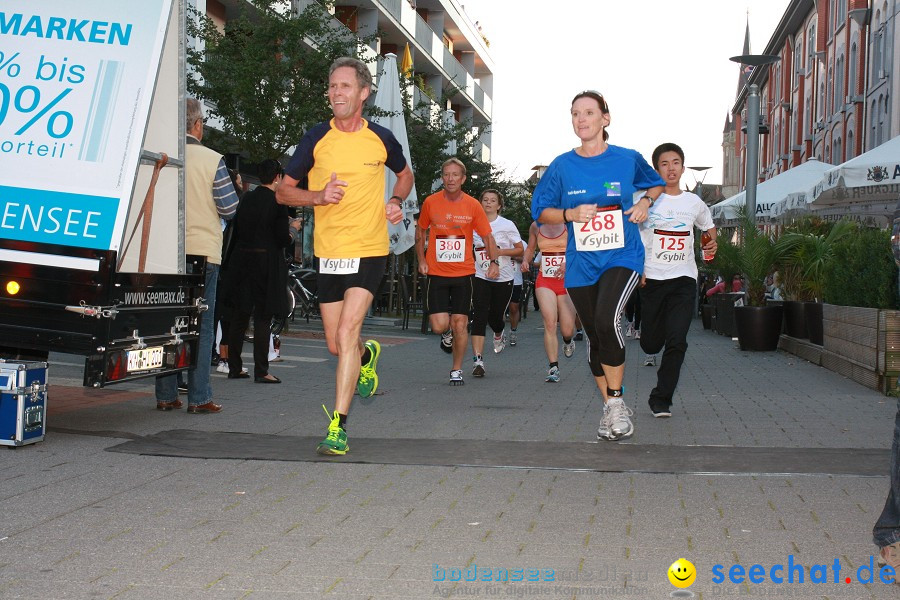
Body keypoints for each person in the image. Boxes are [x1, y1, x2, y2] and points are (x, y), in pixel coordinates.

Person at [276, 57, 414, 455]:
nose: (336, 92)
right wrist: (317, 196)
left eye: (345, 86)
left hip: (370, 249)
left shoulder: (382, 138)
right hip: (329, 252)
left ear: (364, 92)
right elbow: (284, 190)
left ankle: (338, 426)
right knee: (339, 346)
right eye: (332, 86)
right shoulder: (316, 138)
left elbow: (405, 175)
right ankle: (369, 355)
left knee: (347, 332)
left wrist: (395, 200)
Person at [531, 90, 664, 441]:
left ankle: (617, 403)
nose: (581, 119)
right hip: (581, 264)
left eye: (589, 112)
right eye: (575, 113)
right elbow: (540, 210)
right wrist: (568, 214)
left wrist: (646, 202)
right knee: (594, 336)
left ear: (605, 118)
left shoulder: (626, 159)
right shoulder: (562, 166)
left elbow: (656, 182)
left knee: (608, 320)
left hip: (623, 255)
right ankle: (610, 409)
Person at [155, 98, 239, 414]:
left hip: (164, 254)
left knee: (168, 324)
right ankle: (199, 397)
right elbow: (229, 208)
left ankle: (165, 394)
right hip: (202, 254)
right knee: (201, 327)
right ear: (197, 124)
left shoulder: (162, 157)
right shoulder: (212, 159)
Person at [637, 143, 717, 418]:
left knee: (678, 340)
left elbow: (708, 227)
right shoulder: (645, 199)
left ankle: (662, 399)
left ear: (683, 167)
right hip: (652, 279)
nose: (671, 168)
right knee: (649, 343)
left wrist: (711, 244)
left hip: (683, 278)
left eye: (675, 162)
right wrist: (638, 269)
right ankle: (650, 344)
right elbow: (632, 235)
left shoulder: (694, 202)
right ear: (656, 168)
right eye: (664, 163)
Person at [416, 158, 498, 386]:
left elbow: (487, 236)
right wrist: (421, 259)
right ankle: (446, 334)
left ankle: (456, 369)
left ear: (462, 179)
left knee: (460, 323)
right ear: (442, 177)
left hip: (464, 273)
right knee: (440, 325)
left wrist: (494, 262)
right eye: (446, 174)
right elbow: (420, 231)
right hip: (436, 273)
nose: (450, 179)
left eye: (455, 175)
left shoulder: (473, 205)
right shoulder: (431, 202)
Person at [223, 159, 297, 384]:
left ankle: (234, 367)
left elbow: (236, 230)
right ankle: (261, 370)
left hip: (242, 261)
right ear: (277, 177)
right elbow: (282, 238)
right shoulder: (277, 202)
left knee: (240, 315)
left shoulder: (246, 198)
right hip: (266, 263)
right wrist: (293, 229)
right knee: (263, 316)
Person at [469, 189, 523, 377]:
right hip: (480, 275)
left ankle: (499, 332)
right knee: (479, 315)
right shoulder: (472, 224)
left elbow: (519, 251)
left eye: (493, 200)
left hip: (504, 277)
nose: (489, 203)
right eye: (485, 200)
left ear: (499, 205)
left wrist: (499, 253)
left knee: (495, 317)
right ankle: (478, 361)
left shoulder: (507, 225)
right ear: (480, 202)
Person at [522, 221, 578, 382]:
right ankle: (553, 367)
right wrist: (526, 260)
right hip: (545, 280)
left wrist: (568, 263)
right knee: (550, 323)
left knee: (567, 330)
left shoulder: (571, 223)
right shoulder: (535, 226)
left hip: (568, 280)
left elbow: (580, 249)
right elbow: (531, 249)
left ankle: (568, 341)